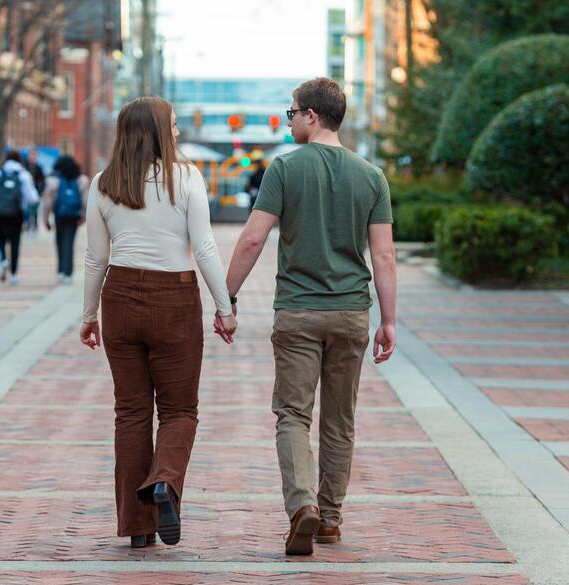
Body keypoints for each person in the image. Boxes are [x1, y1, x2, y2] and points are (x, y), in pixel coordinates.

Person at [222, 77, 397, 556]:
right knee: (340, 419)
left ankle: (302, 506)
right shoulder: (371, 176)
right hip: (351, 313)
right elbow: (383, 257)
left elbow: (253, 238)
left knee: (293, 416)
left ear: (312, 116)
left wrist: (226, 297)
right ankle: (331, 520)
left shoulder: (285, 169)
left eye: (291, 112)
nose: (289, 119)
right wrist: (389, 320)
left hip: (298, 312)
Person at [80, 96, 237, 549]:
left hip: (121, 298)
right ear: (156, 131)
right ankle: (165, 481)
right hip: (174, 300)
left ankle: (137, 527)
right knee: (179, 410)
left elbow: (96, 258)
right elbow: (205, 248)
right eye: (173, 124)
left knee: (130, 413)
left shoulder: (103, 184)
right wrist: (224, 308)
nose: (179, 132)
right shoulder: (186, 177)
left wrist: (89, 316)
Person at [0, 150, 40, 286]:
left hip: (0, 212)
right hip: (17, 213)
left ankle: (3, 259)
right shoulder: (23, 174)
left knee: (0, 239)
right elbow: (33, 198)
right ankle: (13, 274)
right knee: (15, 242)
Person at [41, 155, 90, 283]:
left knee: (59, 241)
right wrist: (84, 217)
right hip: (74, 216)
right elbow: (86, 201)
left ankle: (61, 271)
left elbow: (47, 202)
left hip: (59, 215)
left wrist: (45, 219)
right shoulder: (82, 180)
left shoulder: (53, 181)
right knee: (70, 242)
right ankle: (68, 273)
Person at [24, 149, 45, 232]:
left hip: (36, 191)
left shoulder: (38, 168)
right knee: (28, 210)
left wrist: (41, 190)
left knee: (35, 210)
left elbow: (42, 180)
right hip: (27, 192)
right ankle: (28, 225)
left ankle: (35, 225)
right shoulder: (25, 166)